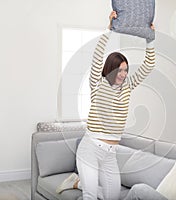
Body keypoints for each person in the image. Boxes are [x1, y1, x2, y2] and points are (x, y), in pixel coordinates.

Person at [56, 11, 155, 200]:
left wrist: (150, 40)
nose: (123, 74)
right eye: (119, 70)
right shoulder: (97, 83)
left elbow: (149, 65)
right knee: (91, 196)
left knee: (112, 197)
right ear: (110, 69)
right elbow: (97, 55)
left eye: (126, 70)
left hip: (110, 154)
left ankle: (76, 182)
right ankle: (82, 185)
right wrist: (109, 29)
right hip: (90, 149)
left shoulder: (128, 86)